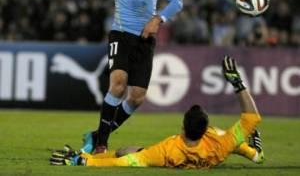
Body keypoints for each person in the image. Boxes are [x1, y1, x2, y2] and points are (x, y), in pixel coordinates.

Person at [70, 0, 183, 154]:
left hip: (145, 38)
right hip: (121, 34)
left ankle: (97, 135)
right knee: (119, 84)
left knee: (137, 98)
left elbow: (176, 1)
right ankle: (101, 144)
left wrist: (158, 19)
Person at [50, 56, 265, 169]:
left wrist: (83, 161)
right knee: (232, 139)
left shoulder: (167, 151)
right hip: (210, 154)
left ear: (182, 128)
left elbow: (123, 162)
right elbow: (252, 117)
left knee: (126, 151)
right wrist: (237, 83)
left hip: (175, 159)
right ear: (204, 131)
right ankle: (255, 153)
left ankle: (254, 153)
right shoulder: (220, 145)